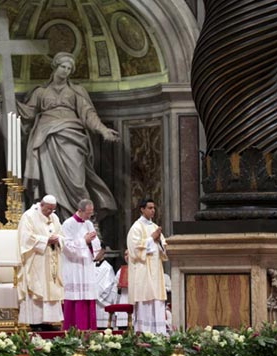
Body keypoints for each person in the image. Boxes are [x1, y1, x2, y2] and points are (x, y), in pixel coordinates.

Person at [16, 52, 120, 221]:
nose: (66, 71)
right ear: (55, 67)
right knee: (49, 185)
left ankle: (85, 220)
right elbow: (26, 113)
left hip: (72, 137)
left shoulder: (76, 91)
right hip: (46, 139)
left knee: (77, 182)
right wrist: (6, 104)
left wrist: (103, 130)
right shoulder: (41, 92)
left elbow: (88, 114)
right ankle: (52, 220)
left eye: (69, 68)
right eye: (63, 67)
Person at [17, 194, 64, 330]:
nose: (50, 212)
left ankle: (49, 322)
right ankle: (35, 322)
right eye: (48, 209)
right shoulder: (29, 216)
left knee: (51, 289)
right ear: (41, 205)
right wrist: (46, 240)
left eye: (52, 210)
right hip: (36, 260)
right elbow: (25, 238)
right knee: (37, 288)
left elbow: (61, 234)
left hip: (52, 259)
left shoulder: (54, 217)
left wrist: (58, 239)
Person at [127, 198, 168, 334]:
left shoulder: (155, 227)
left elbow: (164, 248)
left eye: (154, 208)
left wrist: (160, 242)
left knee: (157, 301)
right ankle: (144, 334)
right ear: (142, 209)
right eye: (150, 208)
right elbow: (134, 249)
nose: (153, 211)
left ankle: (159, 334)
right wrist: (152, 239)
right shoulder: (136, 227)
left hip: (156, 272)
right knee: (145, 302)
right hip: (143, 271)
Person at [61, 199, 102, 330]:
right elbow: (66, 246)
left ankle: (90, 331)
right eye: (88, 213)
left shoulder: (89, 224)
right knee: (76, 297)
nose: (90, 216)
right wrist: (84, 241)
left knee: (88, 296)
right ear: (80, 210)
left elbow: (96, 244)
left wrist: (91, 242)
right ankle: (73, 330)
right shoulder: (68, 224)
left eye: (91, 213)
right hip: (74, 267)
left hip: (87, 266)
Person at [94, 247, 117, 328]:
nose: (94, 252)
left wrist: (93, 294)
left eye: (97, 250)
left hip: (102, 306)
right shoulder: (89, 266)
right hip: (92, 305)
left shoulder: (108, 268)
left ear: (103, 251)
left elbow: (107, 287)